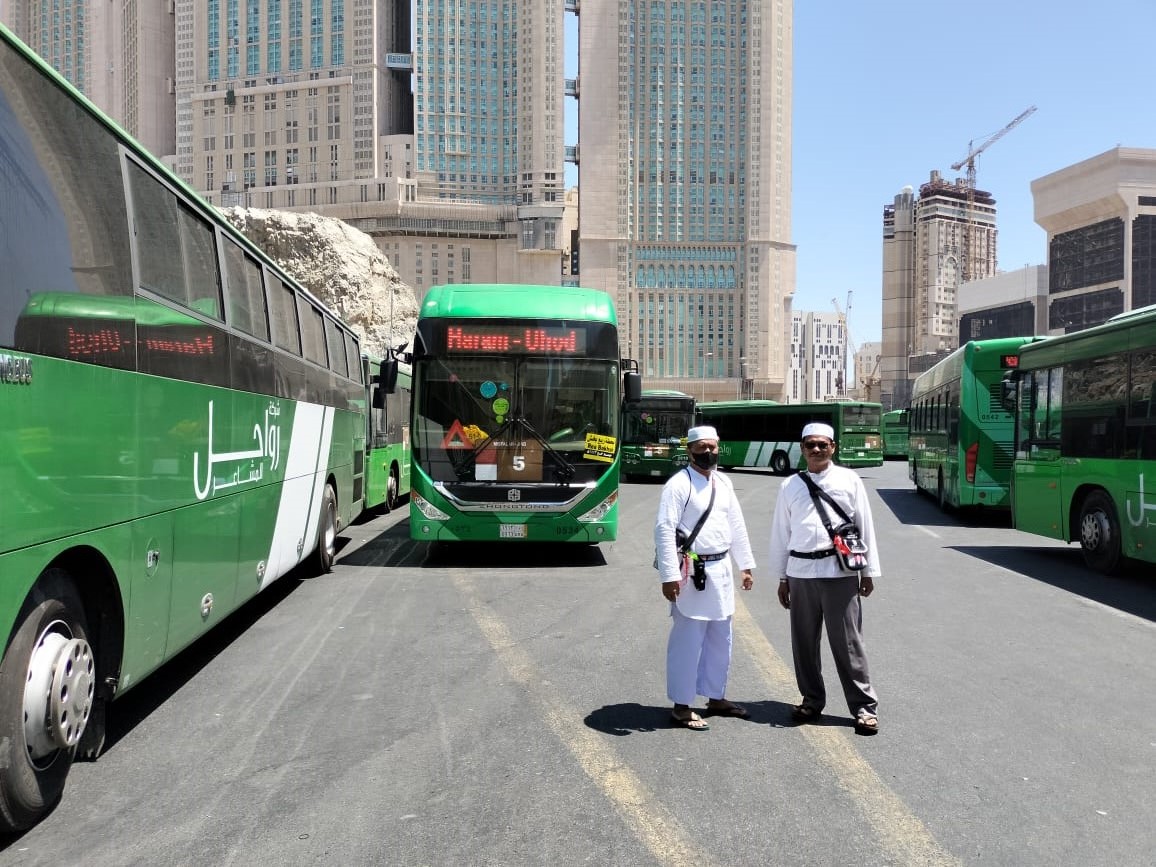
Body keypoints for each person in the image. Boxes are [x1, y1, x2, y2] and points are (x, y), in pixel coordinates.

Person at [768, 422, 882, 735]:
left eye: (822, 444)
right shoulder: (789, 485)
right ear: (802, 449)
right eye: (810, 445)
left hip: (839, 572)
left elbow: (864, 524)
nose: (816, 450)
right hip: (801, 573)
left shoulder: (849, 480)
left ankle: (863, 707)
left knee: (848, 643)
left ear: (833, 447)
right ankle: (812, 700)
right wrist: (781, 577)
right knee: (804, 643)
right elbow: (781, 533)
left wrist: (868, 570)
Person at [654, 425, 756, 731]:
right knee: (688, 641)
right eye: (701, 448)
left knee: (720, 639)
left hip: (721, 571)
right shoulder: (678, 484)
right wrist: (669, 575)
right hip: (691, 572)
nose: (708, 452)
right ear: (689, 450)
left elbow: (735, 524)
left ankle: (716, 697)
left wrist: (745, 565)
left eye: (712, 447)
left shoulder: (723, 481)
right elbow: (664, 529)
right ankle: (681, 706)